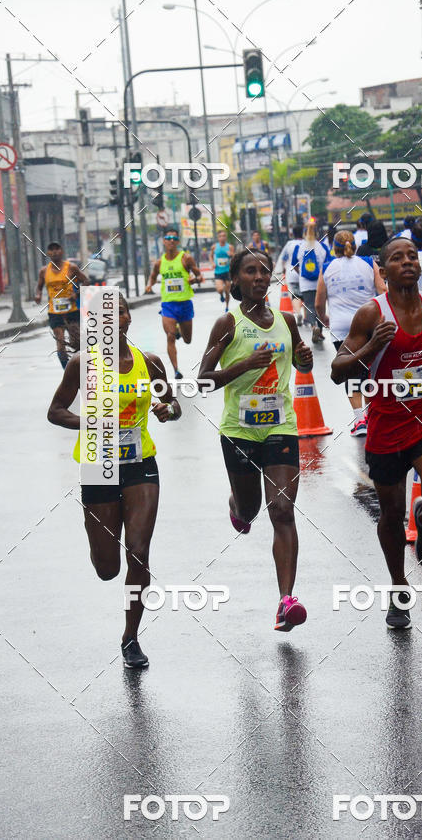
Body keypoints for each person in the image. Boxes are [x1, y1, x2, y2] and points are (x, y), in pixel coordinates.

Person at [47, 295, 181, 668]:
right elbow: (55, 412)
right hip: (98, 466)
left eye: (119, 311)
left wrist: (165, 409)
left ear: (128, 317)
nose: (114, 319)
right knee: (107, 568)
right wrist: (90, 424)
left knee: (138, 551)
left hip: (141, 465)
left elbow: (174, 407)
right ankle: (98, 539)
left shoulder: (149, 363)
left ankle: (130, 637)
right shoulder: (81, 364)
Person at [331, 237, 422, 629]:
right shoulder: (372, 315)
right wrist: (370, 349)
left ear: (420, 267)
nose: (406, 262)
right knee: (390, 514)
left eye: (412, 256)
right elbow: (337, 370)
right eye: (396, 259)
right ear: (382, 272)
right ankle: (398, 586)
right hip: (386, 426)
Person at [198, 248, 313, 631]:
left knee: (281, 510)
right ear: (236, 281)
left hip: (281, 427)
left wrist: (304, 360)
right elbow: (202, 379)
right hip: (239, 431)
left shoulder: (285, 319)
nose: (261, 276)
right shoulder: (227, 325)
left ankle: (286, 601)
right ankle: (237, 506)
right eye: (251, 271)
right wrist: (243, 365)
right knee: (250, 511)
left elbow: (298, 362)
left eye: (265, 270)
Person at [315, 230, 385, 435]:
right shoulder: (367, 262)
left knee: (351, 373)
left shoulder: (327, 268)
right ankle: (372, 417)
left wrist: (323, 318)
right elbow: (382, 290)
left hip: (341, 328)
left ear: (333, 247)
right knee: (370, 371)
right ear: (354, 244)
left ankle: (359, 420)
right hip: (368, 323)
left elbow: (319, 301)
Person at [145, 226, 203, 379]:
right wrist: (149, 284)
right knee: (170, 336)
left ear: (178, 241)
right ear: (164, 241)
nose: (171, 241)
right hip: (168, 305)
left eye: (174, 238)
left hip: (185, 304)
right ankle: (176, 370)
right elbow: (152, 276)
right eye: (168, 238)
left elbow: (200, 277)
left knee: (187, 340)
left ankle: (179, 330)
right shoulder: (159, 263)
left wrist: (194, 279)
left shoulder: (186, 258)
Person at [35, 242, 89, 369]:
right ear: (48, 253)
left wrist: (76, 295)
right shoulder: (44, 271)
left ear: (62, 251)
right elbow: (39, 287)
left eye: (57, 249)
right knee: (60, 342)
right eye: (51, 250)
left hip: (72, 310)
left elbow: (86, 281)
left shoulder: (71, 267)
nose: (54, 252)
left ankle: (79, 367)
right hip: (55, 311)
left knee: (75, 342)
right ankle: (67, 370)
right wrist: (38, 295)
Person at [295, 221, 330, 344]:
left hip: (305, 283)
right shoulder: (321, 246)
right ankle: (319, 330)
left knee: (310, 306)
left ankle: (313, 326)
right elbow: (327, 264)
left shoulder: (300, 246)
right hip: (319, 282)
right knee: (320, 306)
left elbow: (294, 264)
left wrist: (301, 274)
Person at [277, 224, 304, 324]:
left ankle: (298, 312)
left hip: (292, 273)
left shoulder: (289, 244)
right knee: (306, 295)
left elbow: (283, 258)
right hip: (305, 274)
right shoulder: (306, 243)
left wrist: (281, 270)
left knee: (295, 295)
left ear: (292, 233)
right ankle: (307, 317)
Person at [210, 230, 234, 312]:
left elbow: (234, 257)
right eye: (220, 236)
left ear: (226, 237)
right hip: (218, 272)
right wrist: (212, 263)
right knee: (220, 289)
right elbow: (210, 256)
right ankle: (221, 295)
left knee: (227, 291)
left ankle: (227, 307)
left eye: (224, 236)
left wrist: (231, 255)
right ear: (218, 238)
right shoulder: (214, 247)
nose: (222, 238)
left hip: (227, 272)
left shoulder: (230, 247)